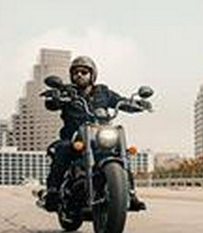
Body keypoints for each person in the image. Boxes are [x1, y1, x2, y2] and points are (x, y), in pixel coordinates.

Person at [42, 55, 147, 212]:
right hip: (75, 137)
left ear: (92, 75)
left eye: (84, 72)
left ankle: (129, 194)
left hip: (100, 136)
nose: (79, 75)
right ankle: (53, 192)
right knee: (62, 149)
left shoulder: (103, 92)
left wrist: (137, 104)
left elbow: (121, 101)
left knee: (121, 153)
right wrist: (55, 98)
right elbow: (52, 104)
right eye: (76, 72)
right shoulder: (68, 92)